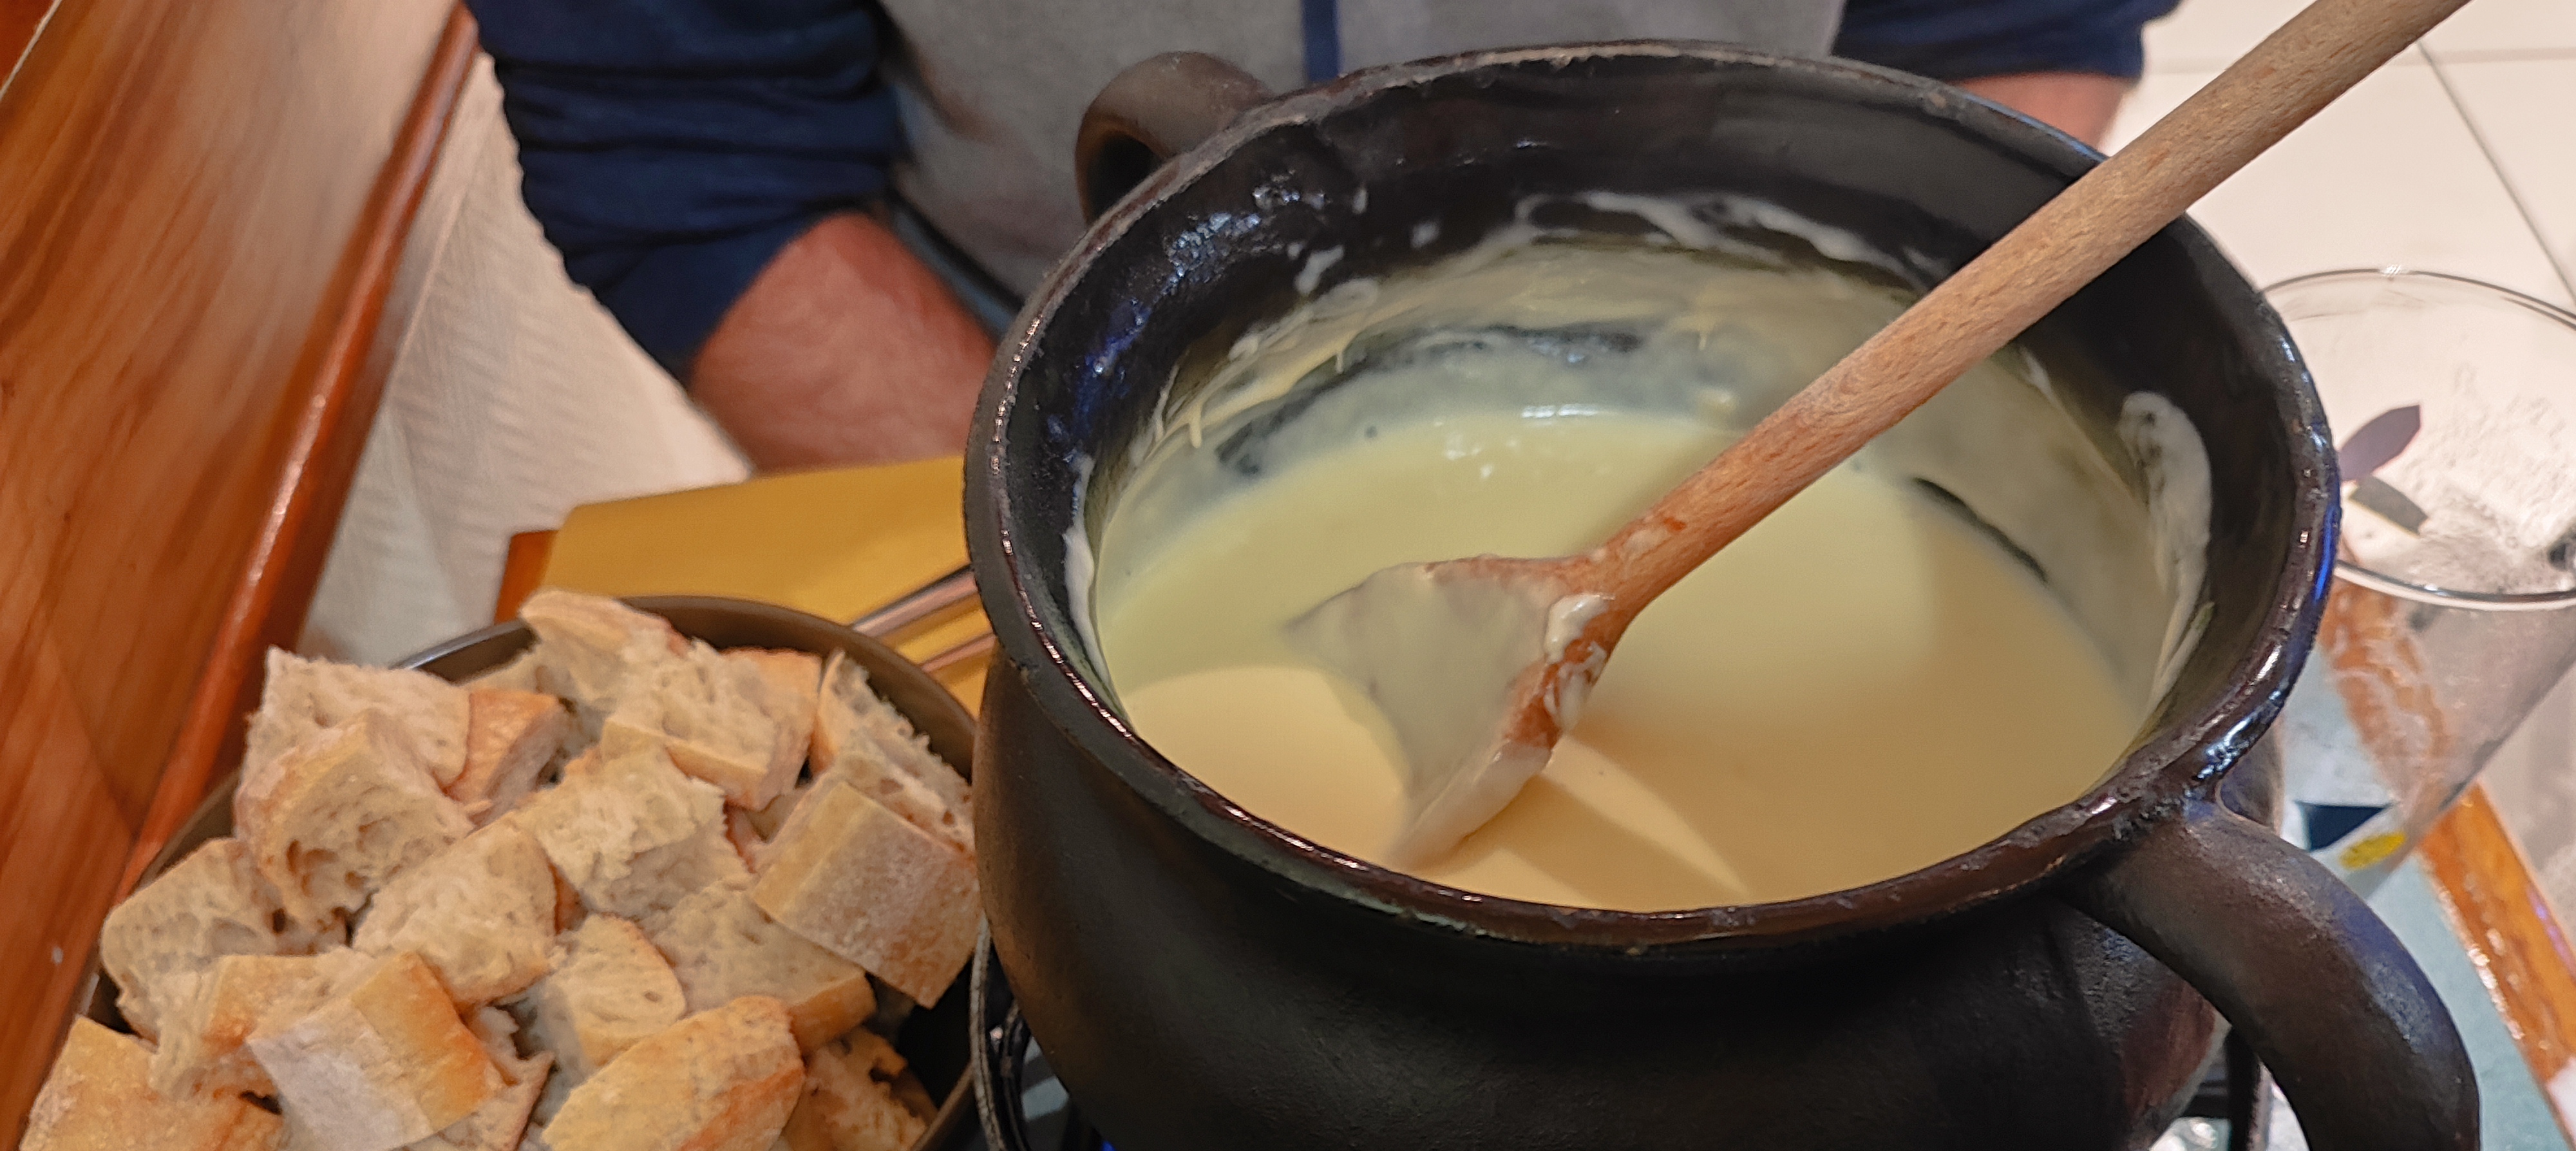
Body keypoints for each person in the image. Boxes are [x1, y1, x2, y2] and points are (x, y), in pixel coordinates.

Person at [466, 1, 2174, 471]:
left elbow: (1997, 28)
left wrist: (1843, 462)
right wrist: (1050, 558)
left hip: (1752, 382)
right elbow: (697, 151)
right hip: (1015, 380)